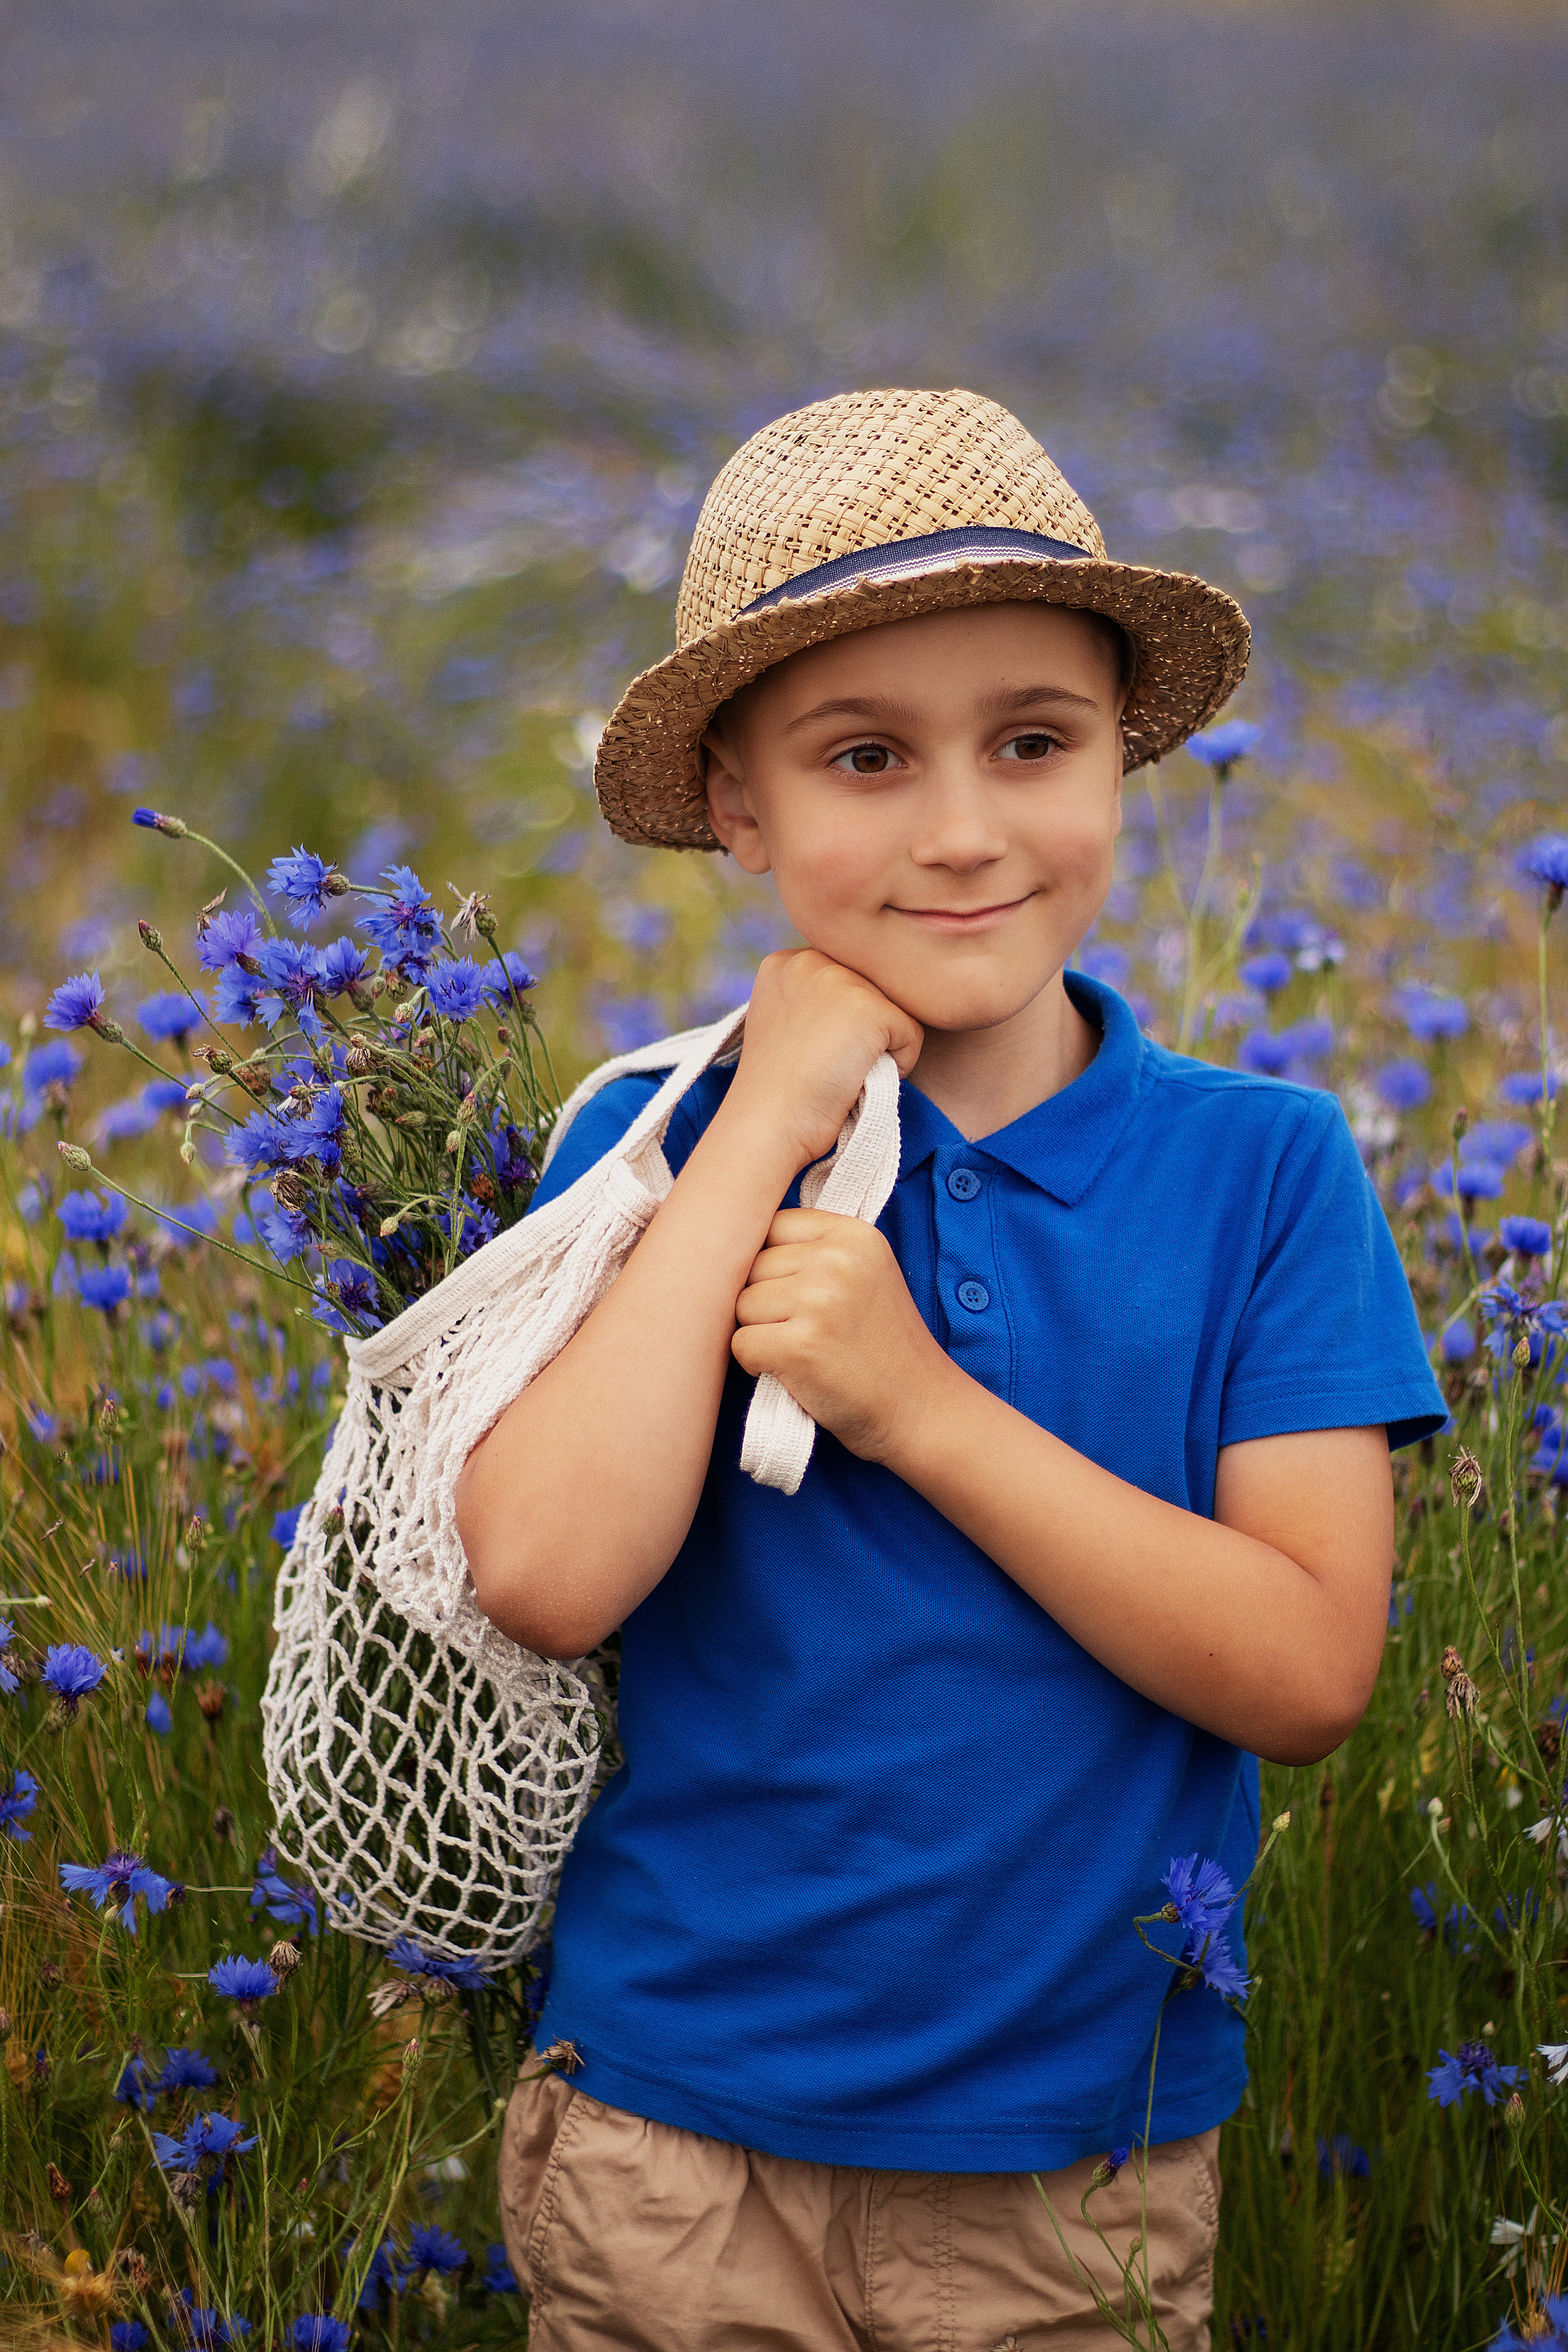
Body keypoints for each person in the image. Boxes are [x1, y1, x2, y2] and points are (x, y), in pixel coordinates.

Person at [457, 386, 1444, 2350]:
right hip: (675, 2148)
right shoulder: (646, 1151)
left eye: (1032, 743)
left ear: (1123, 760)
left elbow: (1310, 1668)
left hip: (1075, 2174)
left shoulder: (1264, 1173)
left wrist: (921, 1408)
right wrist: (760, 1129)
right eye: (864, 757)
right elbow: (548, 1573)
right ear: (739, 807)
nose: (969, 827)